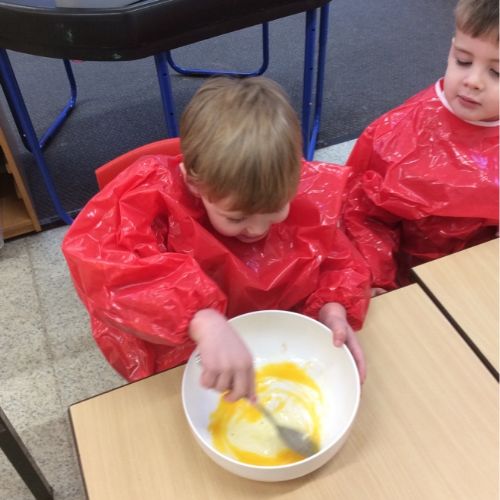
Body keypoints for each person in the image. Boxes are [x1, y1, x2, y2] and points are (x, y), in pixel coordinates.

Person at [62, 76, 371, 401]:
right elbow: (105, 267)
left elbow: (337, 259)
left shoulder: (293, 190)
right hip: (181, 352)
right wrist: (200, 318)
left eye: (277, 209)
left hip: (270, 337)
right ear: (193, 183)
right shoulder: (152, 196)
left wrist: (333, 307)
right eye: (236, 218)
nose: (257, 229)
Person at [342, 0, 499, 292]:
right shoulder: (398, 136)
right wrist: (375, 278)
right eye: (463, 61)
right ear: (452, 48)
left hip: (481, 284)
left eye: (497, 73)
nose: (473, 81)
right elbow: (362, 215)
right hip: (408, 285)